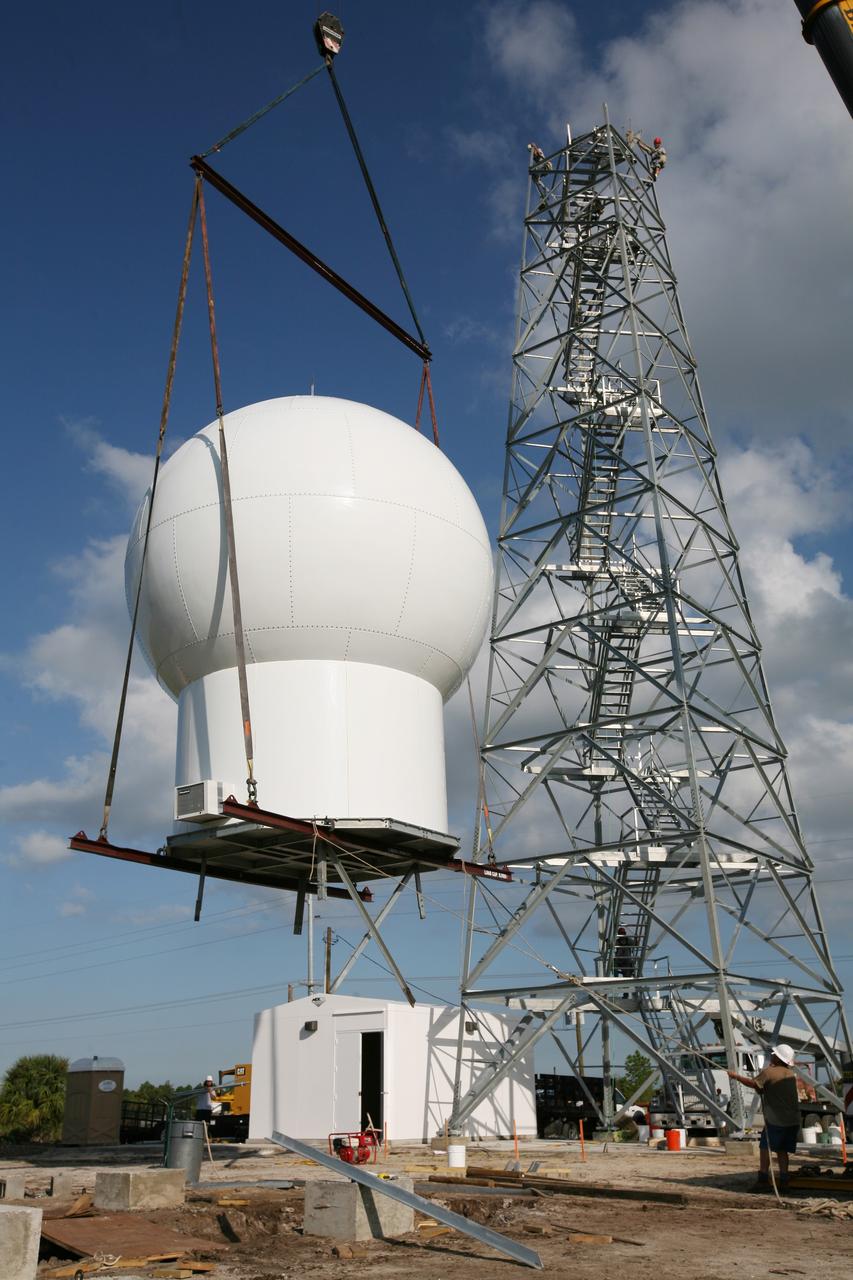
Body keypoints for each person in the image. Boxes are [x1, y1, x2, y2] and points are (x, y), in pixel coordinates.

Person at [727, 1044, 800, 1192]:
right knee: (782, 1150)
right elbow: (765, 1088)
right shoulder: (790, 1075)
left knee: (765, 1147)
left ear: (777, 1057)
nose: (771, 1055)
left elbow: (754, 1083)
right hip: (792, 1120)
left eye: (774, 1054)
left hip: (776, 1119)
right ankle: (784, 1181)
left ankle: (763, 1180)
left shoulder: (769, 1072)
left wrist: (736, 1076)